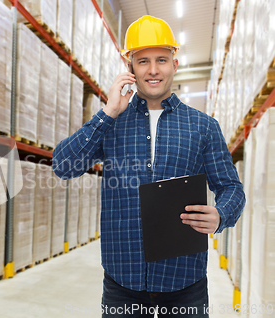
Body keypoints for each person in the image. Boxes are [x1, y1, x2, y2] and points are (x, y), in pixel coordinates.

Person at [52, 15, 245, 317]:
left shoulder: (203, 127)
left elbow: (231, 187)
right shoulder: (111, 124)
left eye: (161, 60)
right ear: (130, 67)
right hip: (122, 281)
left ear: (175, 64)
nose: (153, 70)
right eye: (142, 61)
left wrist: (221, 215)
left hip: (184, 281)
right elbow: (63, 165)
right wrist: (108, 112)